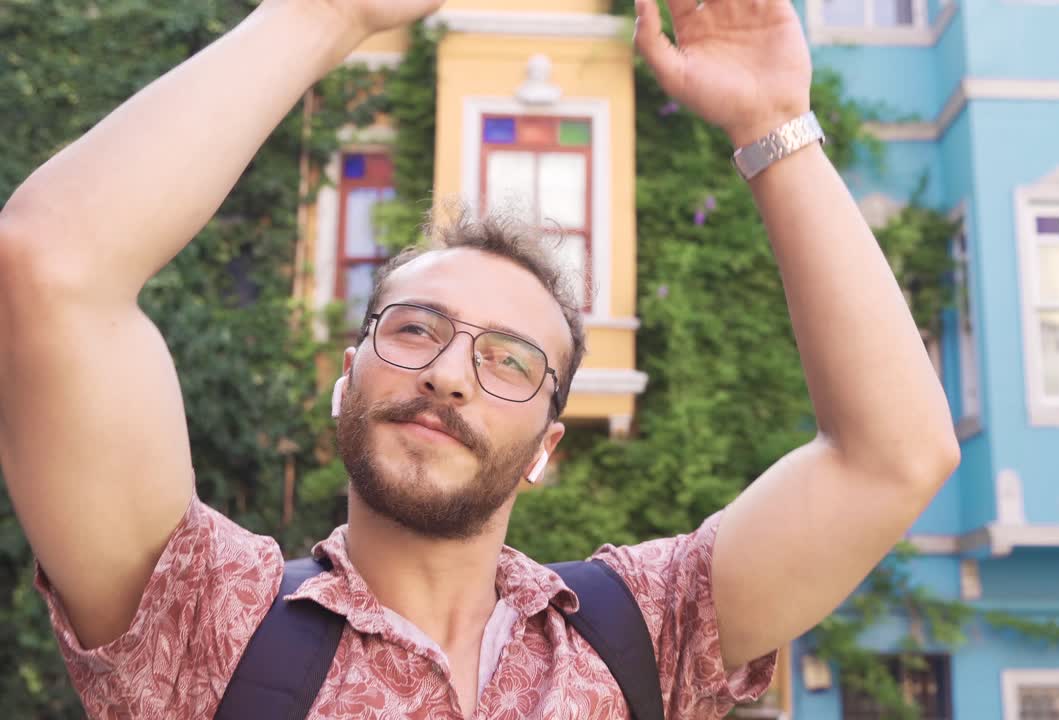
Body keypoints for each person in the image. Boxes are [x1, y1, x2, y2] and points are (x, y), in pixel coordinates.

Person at [0, 0, 961, 718]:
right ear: (350, 373)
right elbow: (52, 266)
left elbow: (895, 458)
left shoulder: (643, 633)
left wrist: (772, 123)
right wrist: (326, 14)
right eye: (415, 328)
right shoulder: (204, 623)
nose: (451, 372)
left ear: (548, 443)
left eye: (508, 360)